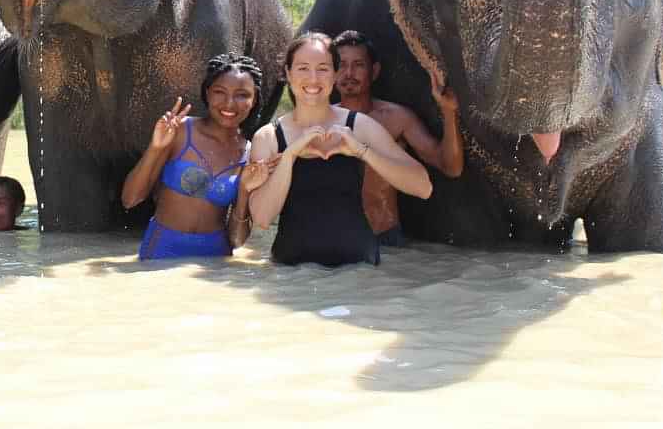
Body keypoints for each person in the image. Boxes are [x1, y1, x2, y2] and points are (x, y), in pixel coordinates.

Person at [243, 32, 432, 267]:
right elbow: (261, 218)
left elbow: (423, 187)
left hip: (359, 274)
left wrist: (362, 151)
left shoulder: (359, 125)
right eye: (303, 68)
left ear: (334, 74)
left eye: (323, 68)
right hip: (291, 275)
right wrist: (290, 155)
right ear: (288, 74)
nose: (313, 78)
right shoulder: (269, 137)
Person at [122, 53, 275, 260]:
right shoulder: (180, 131)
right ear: (207, 92)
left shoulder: (250, 152)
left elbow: (237, 242)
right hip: (162, 249)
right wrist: (156, 148)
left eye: (242, 95)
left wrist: (244, 191)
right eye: (220, 92)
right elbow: (130, 199)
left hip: (215, 260)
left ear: (255, 99)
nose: (229, 104)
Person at [333, 30, 463, 246]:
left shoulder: (396, 119)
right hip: (337, 241)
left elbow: (451, 167)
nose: (348, 73)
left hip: (386, 240)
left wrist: (449, 112)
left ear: (374, 71)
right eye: (341, 65)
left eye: (358, 65)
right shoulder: (322, 121)